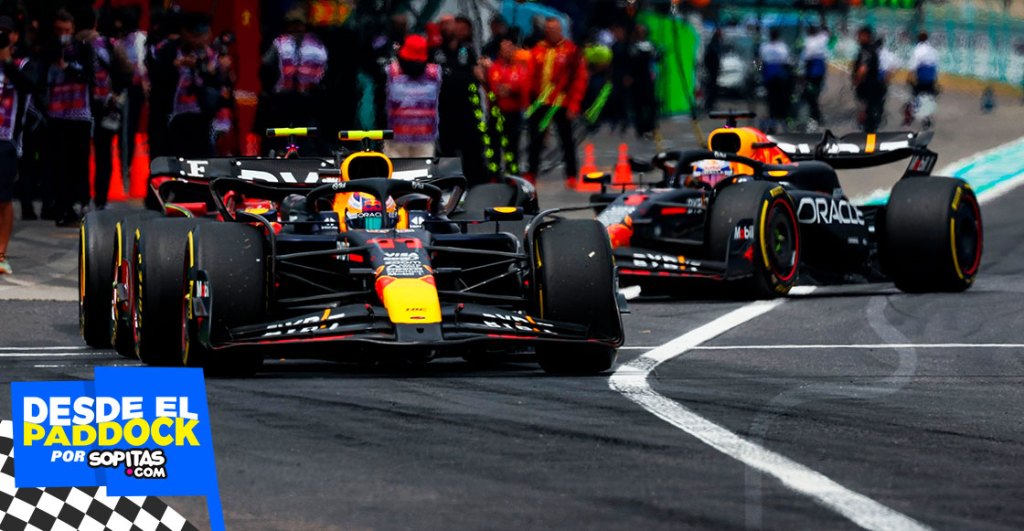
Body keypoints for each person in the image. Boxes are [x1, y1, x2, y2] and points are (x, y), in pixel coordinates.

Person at [149, 12, 230, 158]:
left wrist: (209, 70)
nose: (205, 38)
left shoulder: (210, 54)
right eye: (198, 35)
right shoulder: (168, 50)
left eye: (205, 33)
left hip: (200, 119)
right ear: (185, 33)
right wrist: (176, 66)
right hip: (173, 120)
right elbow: (157, 80)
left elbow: (218, 84)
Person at [44, 9, 95, 227]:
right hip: (56, 115)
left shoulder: (83, 48)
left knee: (79, 163)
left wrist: (68, 67)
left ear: (73, 29)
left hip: (79, 115)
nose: (63, 34)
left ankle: (81, 203)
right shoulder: (47, 50)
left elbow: (89, 75)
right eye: (59, 30)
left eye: (66, 30)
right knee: (59, 164)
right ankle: (61, 207)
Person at [526, 17, 587, 187]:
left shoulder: (571, 51)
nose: (550, 31)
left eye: (553, 28)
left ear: (560, 30)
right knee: (535, 140)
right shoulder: (538, 50)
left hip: (562, 102)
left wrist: (574, 105)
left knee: (566, 139)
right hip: (541, 102)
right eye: (547, 29)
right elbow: (530, 76)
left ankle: (571, 174)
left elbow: (579, 79)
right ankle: (531, 173)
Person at [80, 8, 131, 211]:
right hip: (105, 104)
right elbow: (127, 70)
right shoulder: (109, 44)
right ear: (95, 23)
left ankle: (79, 199)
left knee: (77, 154)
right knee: (103, 154)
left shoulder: (68, 46)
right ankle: (100, 199)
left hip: (73, 107)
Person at [258, 8, 327, 154]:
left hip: (307, 100)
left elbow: (325, 71)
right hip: (283, 99)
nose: (296, 28)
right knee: (280, 135)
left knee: (308, 136)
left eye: (299, 24)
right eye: (293, 24)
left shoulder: (316, 45)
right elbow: (266, 67)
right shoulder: (279, 43)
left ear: (305, 25)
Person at [0, 24, 34, 273]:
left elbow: (28, 86)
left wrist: (6, 60)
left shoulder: (21, 65)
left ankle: (1, 255)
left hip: (7, 140)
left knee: (3, 199)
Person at [436, 16, 487, 183]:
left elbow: (477, 73)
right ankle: (450, 185)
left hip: (468, 108)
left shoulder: (466, 49)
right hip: (445, 110)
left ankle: (477, 185)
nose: (451, 28)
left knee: (473, 149)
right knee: (447, 151)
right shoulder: (435, 51)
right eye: (446, 24)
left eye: (452, 24)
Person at [384, 34, 441, 158]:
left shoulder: (435, 73)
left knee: (419, 175)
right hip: (397, 140)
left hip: (423, 140)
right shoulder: (391, 72)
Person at [487, 39, 530, 174]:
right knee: (494, 145)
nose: (509, 52)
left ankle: (512, 173)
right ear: (500, 52)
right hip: (498, 112)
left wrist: (510, 88)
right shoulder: (495, 68)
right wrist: (509, 88)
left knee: (513, 146)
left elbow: (523, 85)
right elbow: (496, 89)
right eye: (505, 49)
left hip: (514, 112)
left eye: (510, 48)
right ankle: (494, 174)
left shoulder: (519, 67)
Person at [852, 26, 886, 133]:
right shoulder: (871, 49)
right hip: (872, 89)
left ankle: (869, 144)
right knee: (869, 118)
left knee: (868, 120)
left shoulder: (867, 51)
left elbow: (863, 69)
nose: (858, 38)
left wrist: (856, 80)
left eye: (860, 36)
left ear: (867, 36)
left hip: (869, 89)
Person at [759, 27, 791, 133]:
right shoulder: (783, 47)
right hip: (780, 76)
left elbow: (761, 62)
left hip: (770, 76)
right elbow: (786, 61)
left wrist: (761, 74)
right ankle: (781, 121)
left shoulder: (765, 47)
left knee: (772, 101)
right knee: (780, 100)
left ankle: (774, 122)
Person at [628, 23, 659, 137]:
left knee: (651, 104)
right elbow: (630, 61)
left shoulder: (650, 45)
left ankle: (651, 126)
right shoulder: (632, 45)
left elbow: (657, 57)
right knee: (638, 105)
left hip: (648, 78)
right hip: (636, 79)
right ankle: (641, 129)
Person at [801, 24, 828, 129]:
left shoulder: (809, 41)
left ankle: (816, 116)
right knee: (813, 94)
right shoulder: (821, 38)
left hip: (813, 71)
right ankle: (816, 115)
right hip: (819, 70)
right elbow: (826, 31)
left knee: (811, 95)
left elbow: (806, 58)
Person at [908, 31, 939, 96]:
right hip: (931, 78)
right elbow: (936, 65)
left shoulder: (918, 49)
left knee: (916, 96)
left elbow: (913, 66)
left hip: (922, 78)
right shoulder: (932, 49)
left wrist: (909, 78)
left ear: (918, 39)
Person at [703, 27, 722, 114]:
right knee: (711, 88)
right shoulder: (714, 44)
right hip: (712, 69)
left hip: (713, 69)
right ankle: (709, 105)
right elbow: (711, 56)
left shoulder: (715, 43)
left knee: (712, 88)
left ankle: (710, 104)